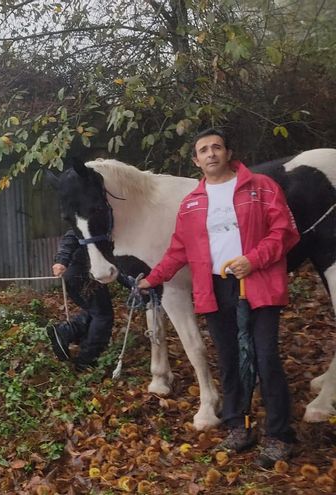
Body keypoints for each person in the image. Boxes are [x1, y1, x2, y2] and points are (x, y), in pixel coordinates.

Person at [137, 128, 300, 468]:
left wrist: (253, 260)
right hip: (214, 288)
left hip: (258, 282)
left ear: (228, 153)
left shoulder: (261, 187)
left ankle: (280, 435)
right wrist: (152, 279)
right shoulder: (191, 203)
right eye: (203, 150)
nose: (210, 153)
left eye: (216, 147)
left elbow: (284, 232)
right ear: (196, 161)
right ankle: (238, 425)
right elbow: (178, 249)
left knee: (265, 357)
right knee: (228, 359)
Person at [47, 229, 116, 371]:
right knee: (103, 315)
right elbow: (74, 234)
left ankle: (66, 332)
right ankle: (86, 359)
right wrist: (61, 260)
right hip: (83, 274)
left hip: (84, 273)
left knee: (96, 312)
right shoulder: (96, 221)